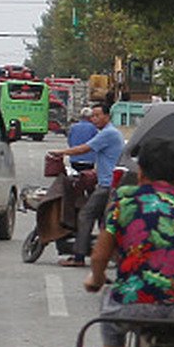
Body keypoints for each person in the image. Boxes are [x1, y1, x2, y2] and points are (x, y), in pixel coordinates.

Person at [81, 136, 174, 347]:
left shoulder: (125, 200)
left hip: (137, 304)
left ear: (140, 171)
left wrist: (96, 279)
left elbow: (99, 256)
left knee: (110, 321)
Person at [55, 102, 124, 267]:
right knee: (105, 222)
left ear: (107, 116)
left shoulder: (108, 133)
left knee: (85, 216)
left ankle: (79, 256)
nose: (94, 119)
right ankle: (109, 253)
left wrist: (61, 153)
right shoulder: (109, 133)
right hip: (106, 182)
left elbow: (84, 148)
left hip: (106, 186)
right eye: (93, 115)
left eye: (98, 115)